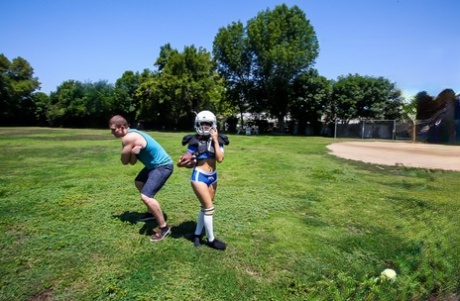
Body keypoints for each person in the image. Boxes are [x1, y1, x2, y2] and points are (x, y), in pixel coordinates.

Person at [109, 115, 173, 242]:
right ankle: (151, 213)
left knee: (146, 197)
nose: (111, 132)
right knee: (139, 182)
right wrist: (133, 153)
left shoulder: (129, 137)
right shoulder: (133, 134)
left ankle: (164, 227)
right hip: (153, 166)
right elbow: (131, 162)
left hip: (162, 167)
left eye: (113, 129)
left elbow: (124, 161)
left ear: (121, 127)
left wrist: (129, 155)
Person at [177, 110, 229, 250]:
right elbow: (185, 160)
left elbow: (220, 159)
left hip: (213, 176)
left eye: (208, 124)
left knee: (205, 207)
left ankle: (197, 234)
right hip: (199, 176)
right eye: (203, 124)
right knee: (209, 208)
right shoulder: (194, 141)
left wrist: (216, 140)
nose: (205, 127)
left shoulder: (220, 140)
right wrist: (181, 163)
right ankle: (211, 240)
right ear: (198, 124)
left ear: (213, 125)